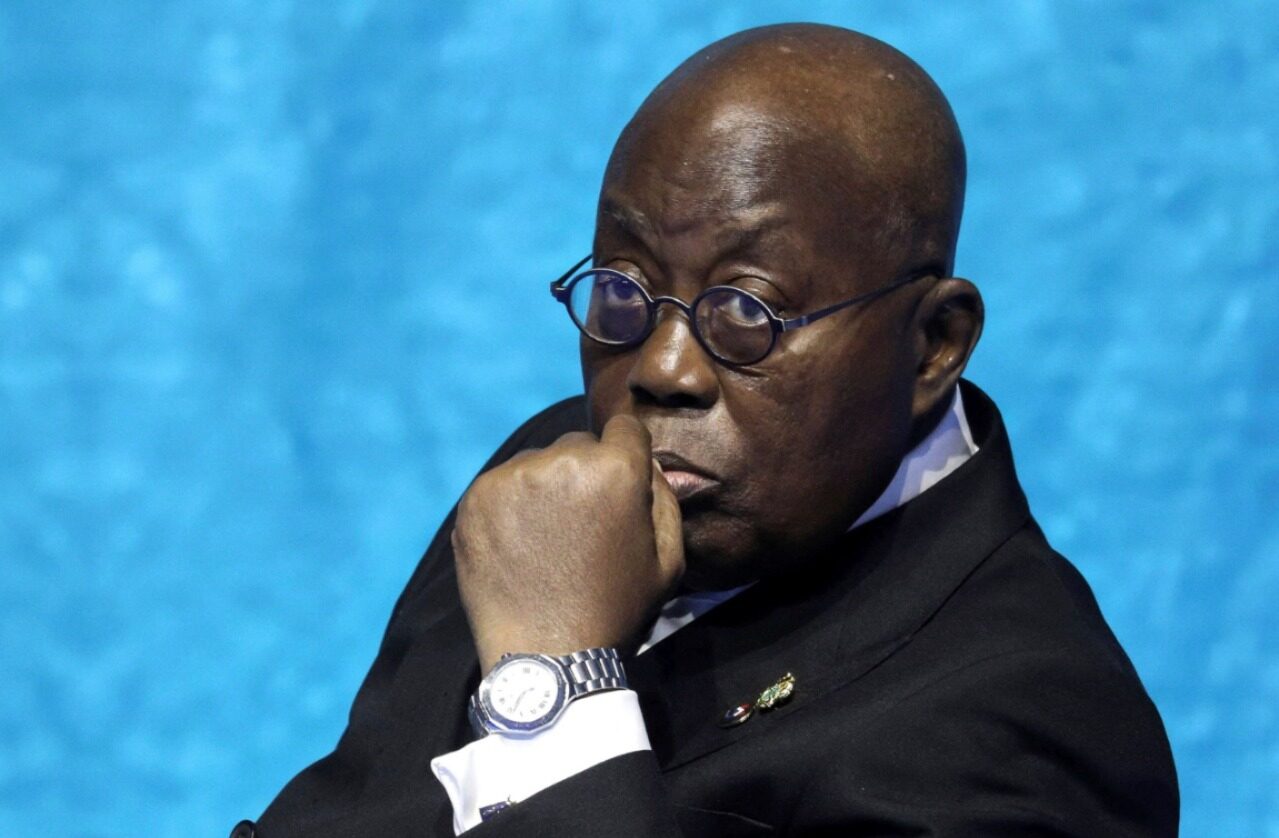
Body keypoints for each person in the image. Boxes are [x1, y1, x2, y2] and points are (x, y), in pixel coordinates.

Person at [234, 23, 1179, 837]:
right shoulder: (552, 485)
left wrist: (556, 687)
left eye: (746, 312)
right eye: (623, 289)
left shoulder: (1037, 725)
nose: (662, 369)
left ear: (933, 345)